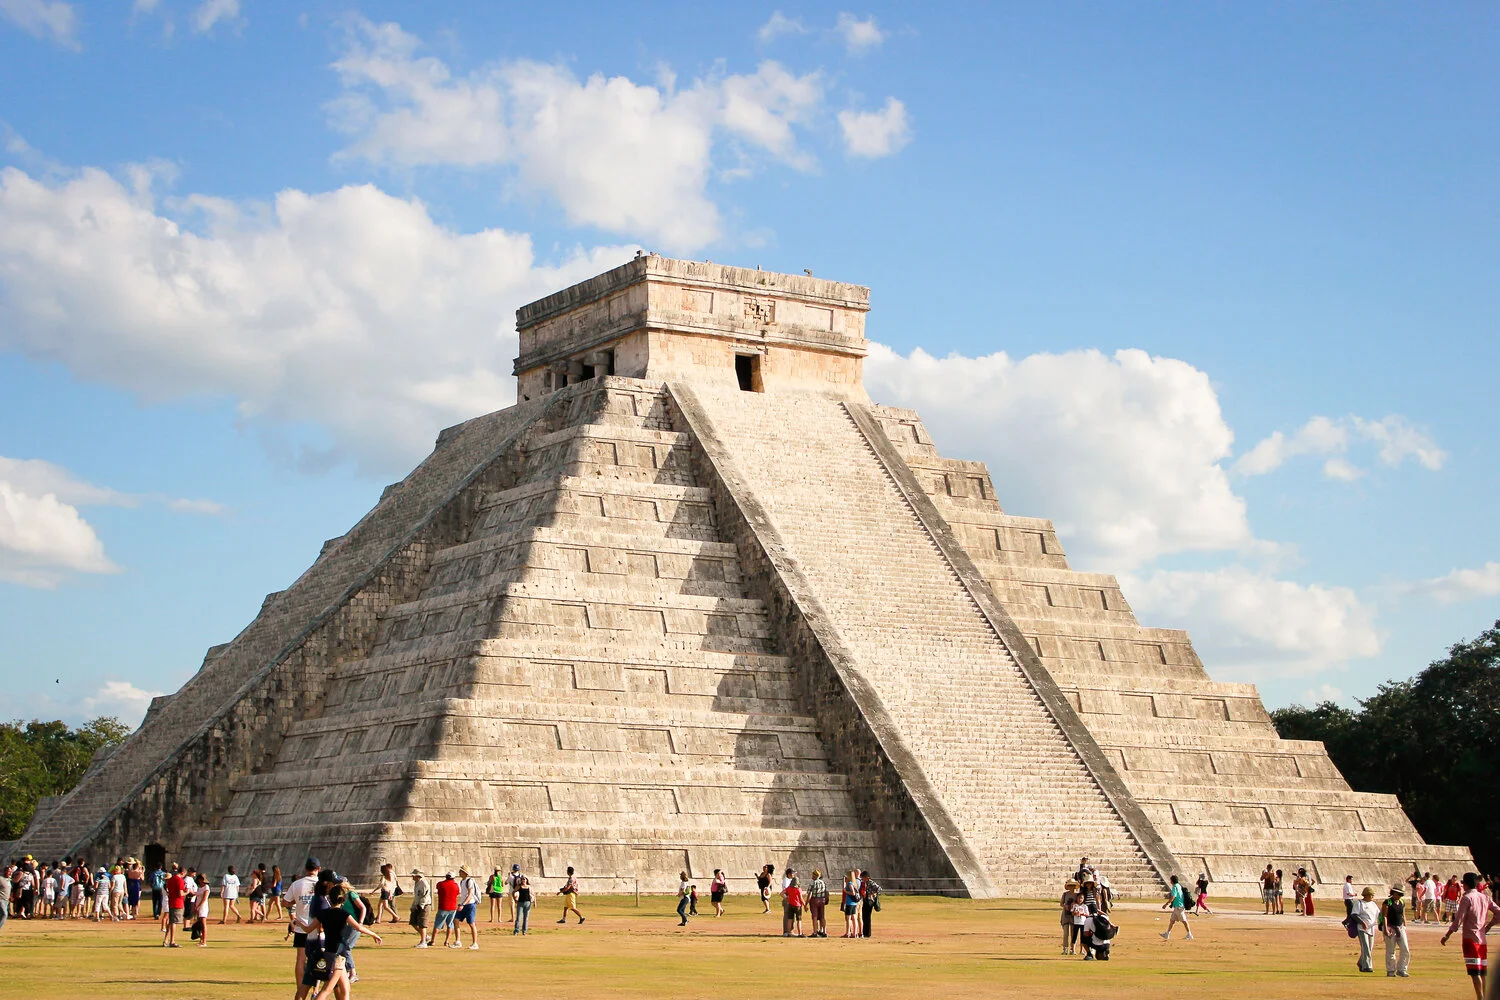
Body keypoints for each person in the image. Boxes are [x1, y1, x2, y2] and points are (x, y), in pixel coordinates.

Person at [309, 882, 383, 1000]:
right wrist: (374, 934)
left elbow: (308, 929)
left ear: (330, 898)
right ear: (343, 899)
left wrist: (297, 923)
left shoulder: (323, 913)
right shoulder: (343, 914)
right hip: (337, 955)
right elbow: (359, 927)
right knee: (326, 990)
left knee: (345, 989)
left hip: (330, 953)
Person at [1443, 872, 1500, 1000]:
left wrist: (1447, 935)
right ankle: (1484, 997)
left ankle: (1480, 997)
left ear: (1466, 884)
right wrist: (1489, 926)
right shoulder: (1485, 897)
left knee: (1475, 972)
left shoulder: (1467, 898)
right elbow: (1498, 913)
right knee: (1482, 971)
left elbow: (1458, 920)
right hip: (1482, 940)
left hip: (1470, 939)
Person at [284, 857, 323, 984]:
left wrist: (297, 900)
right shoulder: (323, 884)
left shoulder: (297, 884)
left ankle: (300, 987)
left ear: (306, 869)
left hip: (301, 926)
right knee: (318, 958)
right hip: (318, 927)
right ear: (318, 869)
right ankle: (316, 989)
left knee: (301, 959)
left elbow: (285, 902)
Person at [1381, 885, 1411, 977]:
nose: (1399, 896)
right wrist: (1385, 928)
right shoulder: (1387, 902)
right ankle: (1390, 970)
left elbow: (1403, 914)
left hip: (1400, 927)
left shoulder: (1401, 902)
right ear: (1393, 893)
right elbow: (1384, 916)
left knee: (1405, 949)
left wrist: (1405, 924)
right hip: (1390, 927)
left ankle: (1402, 969)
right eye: (1398, 894)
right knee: (1391, 950)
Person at [1351, 886, 1379, 973]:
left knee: (1369, 948)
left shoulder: (1373, 904)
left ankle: (1360, 963)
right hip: (1362, 929)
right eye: (1371, 895)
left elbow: (1379, 914)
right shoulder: (1359, 903)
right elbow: (1354, 915)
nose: (1372, 897)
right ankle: (1367, 967)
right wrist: (1362, 922)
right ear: (1366, 895)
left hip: (1371, 928)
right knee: (1366, 947)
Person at [1160, 874, 1193, 941]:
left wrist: (1166, 904)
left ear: (1172, 881)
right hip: (1177, 906)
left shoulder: (1175, 887)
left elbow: (1173, 897)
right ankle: (1167, 934)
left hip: (1179, 906)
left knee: (1184, 921)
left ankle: (1189, 934)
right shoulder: (1179, 885)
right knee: (1172, 920)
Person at [456, 866, 481, 949]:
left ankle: (475, 943)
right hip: (463, 904)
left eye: (461, 871)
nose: (459, 872)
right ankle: (458, 941)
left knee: (471, 924)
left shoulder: (469, 881)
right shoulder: (462, 881)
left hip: (470, 904)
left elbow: (470, 894)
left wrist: (463, 904)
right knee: (456, 920)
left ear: (464, 873)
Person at [434, 871, 460, 948]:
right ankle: (447, 941)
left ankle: (433, 940)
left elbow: (438, 888)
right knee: (450, 925)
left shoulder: (440, 884)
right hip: (452, 907)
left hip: (443, 907)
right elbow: (457, 893)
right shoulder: (455, 885)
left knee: (437, 925)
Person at [163, 864, 186, 947]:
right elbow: (180, 893)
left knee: (171, 921)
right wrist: (187, 892)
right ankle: (172, 941)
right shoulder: (179, 880)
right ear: (183, 873)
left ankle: (166, 940)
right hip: (177, 902)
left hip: (171, 902)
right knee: (173, 922)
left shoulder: (171, 879)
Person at [408, 868, 432, 947]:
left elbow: (425, 896)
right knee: (413, 922)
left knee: (422, 924)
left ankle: (423, 942)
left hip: (424, 905)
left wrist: (420, 905)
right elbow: (416, 896)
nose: (412, 877)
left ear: (418, 876)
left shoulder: (424, 883)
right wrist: (413, 905)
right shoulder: (417, 883)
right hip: (417, 905)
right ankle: (425, 936)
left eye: (414, 875)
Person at [1060, 879, 1080, 954]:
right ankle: (1065, 949)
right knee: (1066, 933)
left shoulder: (1077, 895)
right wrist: (1065, 906)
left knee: (1073, 933)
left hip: (1073, 916)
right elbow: (1061, 903)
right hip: (1065, 915)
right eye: (1070, 885)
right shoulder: (1065, 894)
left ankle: (1073, 949)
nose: (1072, 887)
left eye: (1073, 885)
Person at [807, 869, 828, 938]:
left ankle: (815, 932)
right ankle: (824, 931)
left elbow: (810, 893)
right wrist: (826, 899)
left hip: (814, 900)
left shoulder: (812, 883)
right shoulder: (823, 882)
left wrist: (806, 903)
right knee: (822, 916)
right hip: (822, 900)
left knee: (815, 916)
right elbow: (826, 892)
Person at [859, 871, 880, 938]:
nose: (862, 879)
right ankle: (865, 932)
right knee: (864, 917)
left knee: (867, 917)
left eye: (863, 878)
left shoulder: (871, 882)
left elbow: (879, 888)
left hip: (869, 901)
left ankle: (867, 933)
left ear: (867, 877)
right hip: (865, 901)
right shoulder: (864, 883)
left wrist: (872, 893)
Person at [192, 872, 211, 946]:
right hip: (198, 906)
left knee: (203, 924)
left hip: (203, 907)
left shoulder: (206, 887)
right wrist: (195, 906)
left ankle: (204, 941)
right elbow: (197, 897)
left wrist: (198, 906)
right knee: (200, 924)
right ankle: (201, 940)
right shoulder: (199, 887)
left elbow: (204, 898)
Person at [842, 870, 861, 938]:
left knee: (848, 918)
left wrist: (846, 891)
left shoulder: (850, 883)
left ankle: (848, 933)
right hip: (854, 903)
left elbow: (853, 893)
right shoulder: (854, 883)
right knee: (854, 917)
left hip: (849, 903)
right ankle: (854, 933)